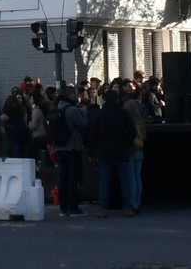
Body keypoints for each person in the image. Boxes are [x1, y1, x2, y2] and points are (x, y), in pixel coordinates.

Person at [86, 88, 137, 217]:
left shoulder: (100, 114)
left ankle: (103, 208)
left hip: (105, 150)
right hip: (121, 149)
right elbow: (132, 132)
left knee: (104, 181)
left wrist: (91, 150)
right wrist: (127, 143)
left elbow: (93, 134)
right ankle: (127, 207)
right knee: (124, 181)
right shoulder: (124, 113)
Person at [54, 85, 89, 216]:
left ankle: (63, 207)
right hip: (72, 147)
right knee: (73, 178)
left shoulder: (58, 108)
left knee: (62, 178)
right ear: (71, 96)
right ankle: (73, 207)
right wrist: (84, 111)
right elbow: (84, 124)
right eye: (76, 95)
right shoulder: (72, 110)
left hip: (59, 147)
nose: (78, 97)